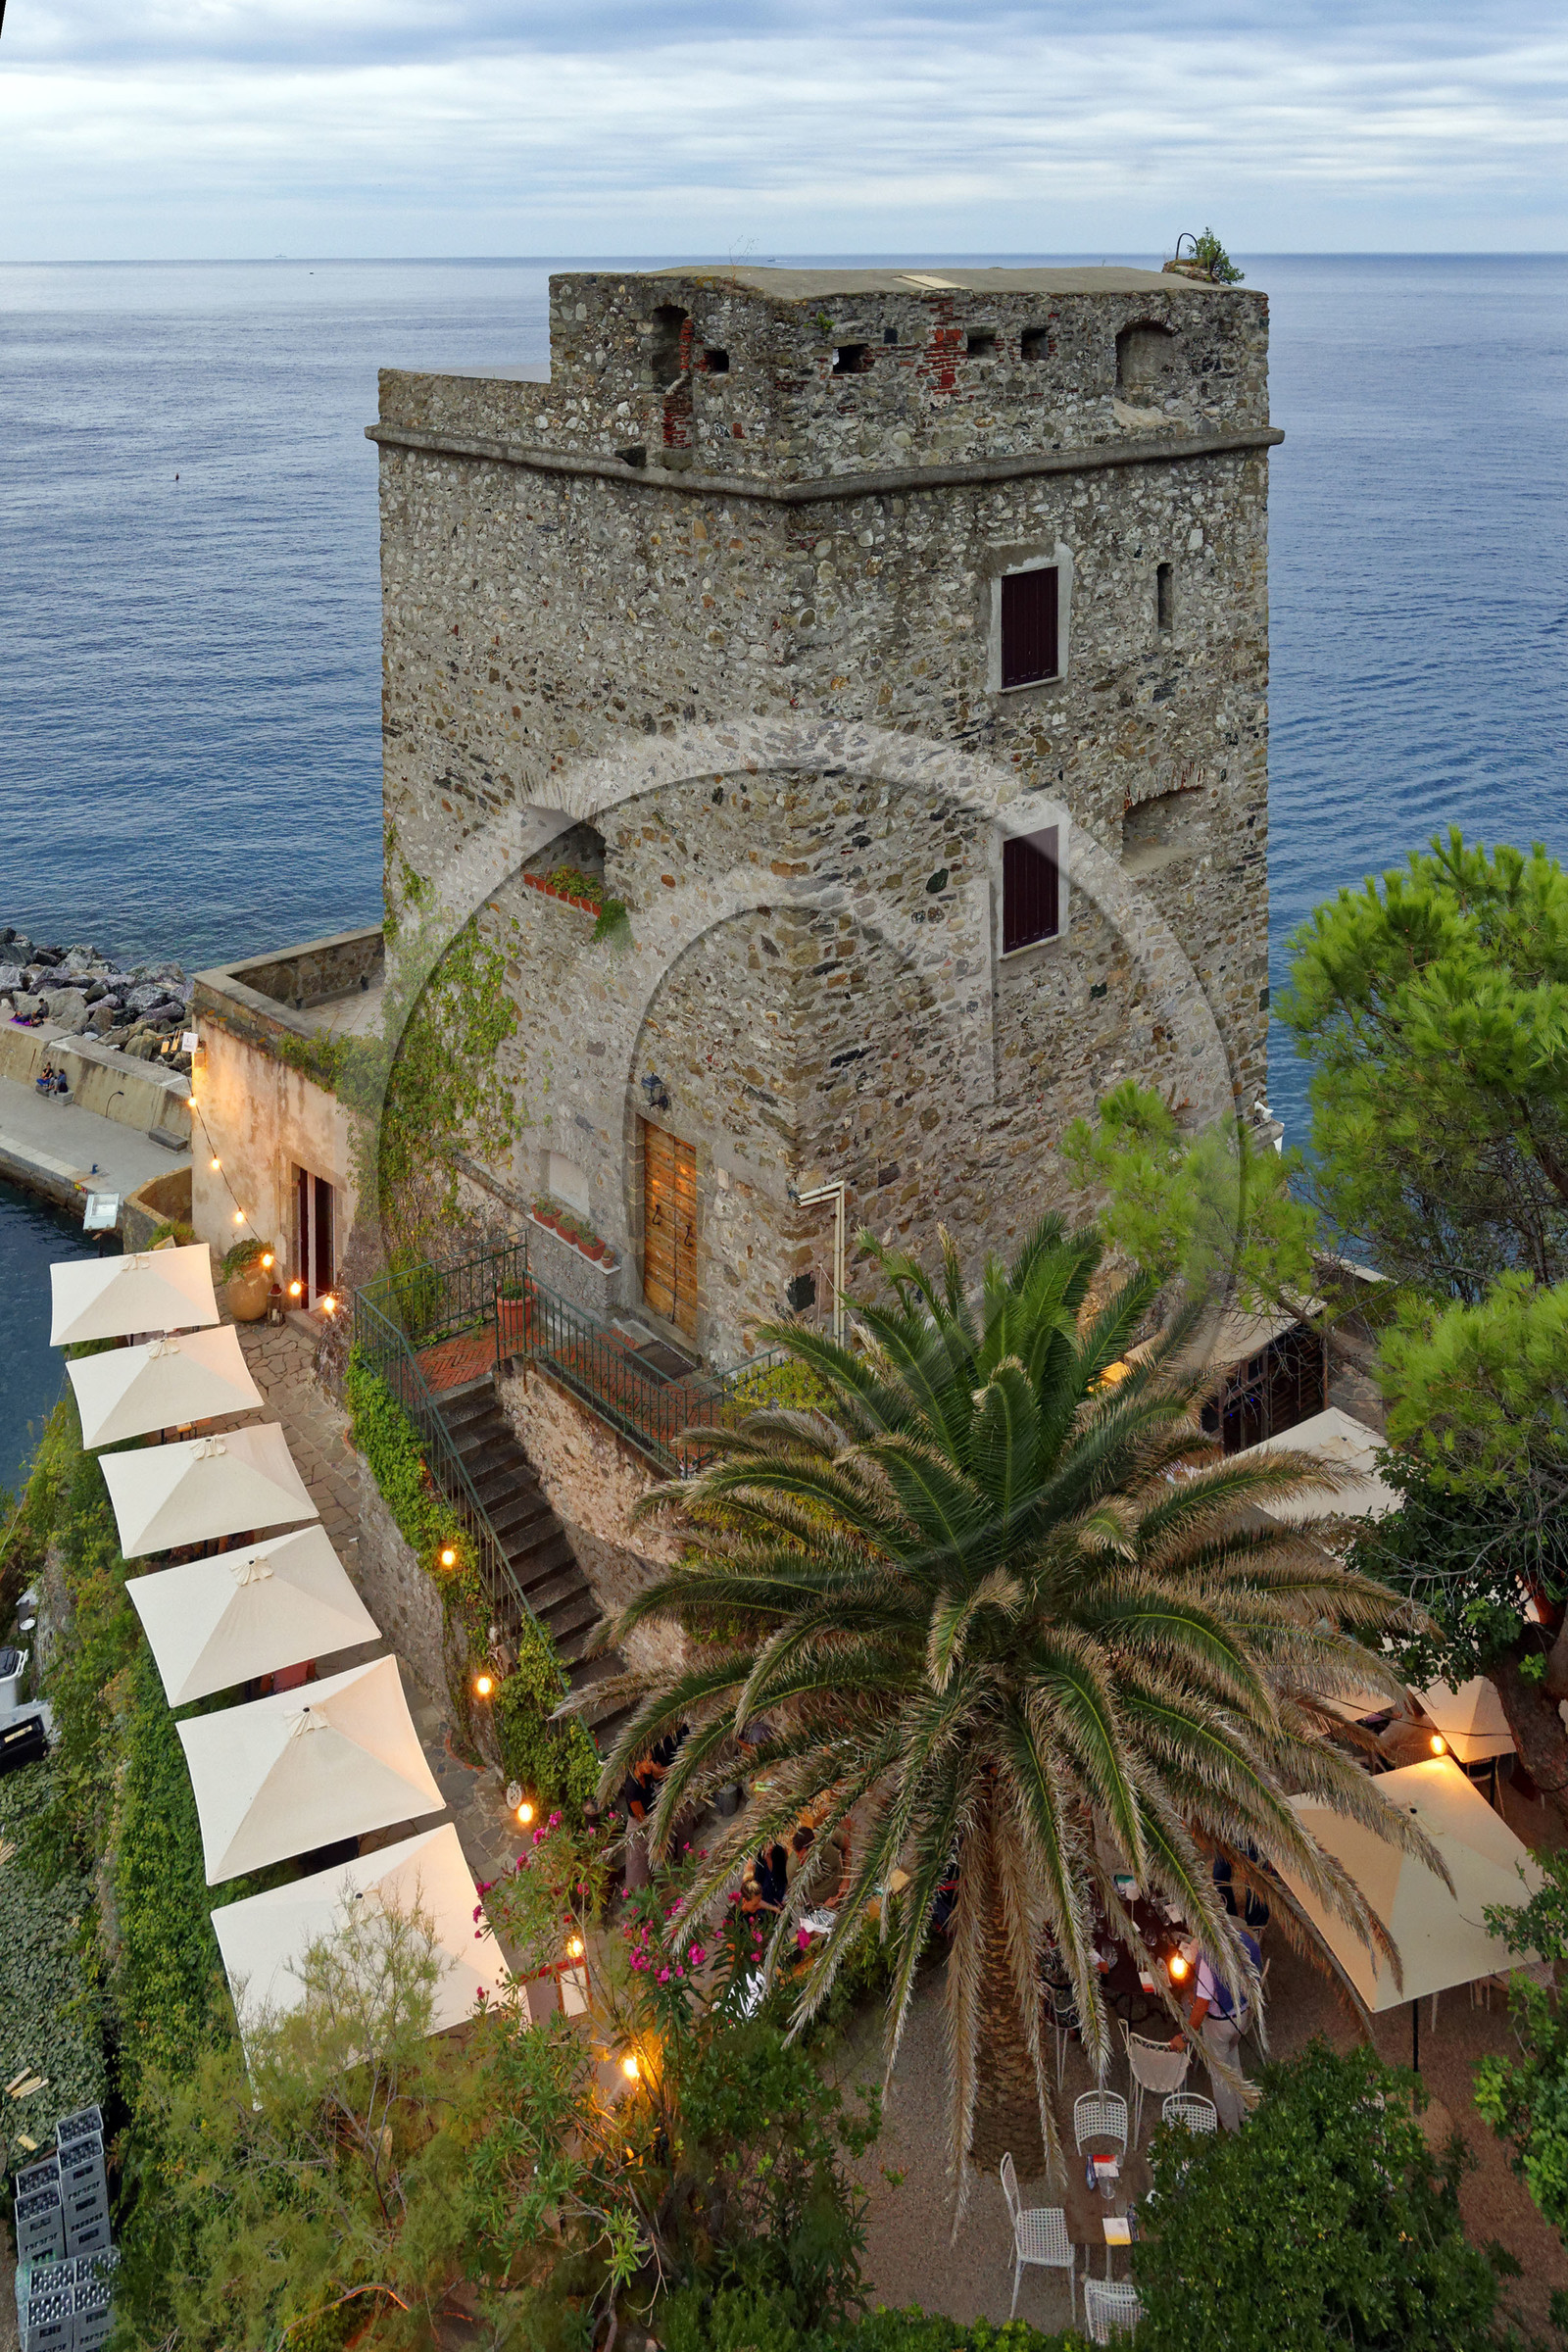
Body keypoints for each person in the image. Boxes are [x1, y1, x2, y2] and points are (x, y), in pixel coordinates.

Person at [1171, 1927, 1261, 2132]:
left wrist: (1184, 2038)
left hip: (1219, 2024)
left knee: (1221, 2078)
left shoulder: (1207, 1957)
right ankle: (1245, 2113)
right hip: (1242, 2015)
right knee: (1233, 2063)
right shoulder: (1244, 1939)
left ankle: (1232, 2131)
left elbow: (1202, 2006)